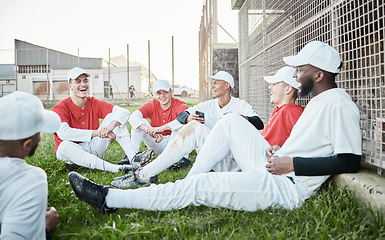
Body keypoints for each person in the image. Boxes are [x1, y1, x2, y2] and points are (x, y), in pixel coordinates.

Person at [68, 41, 362, 213]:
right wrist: (281, 151)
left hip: (286, 187)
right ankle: (180, 183)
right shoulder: (320, 102)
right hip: (273, 164)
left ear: (320, 73)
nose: (297, 74)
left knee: (200, 187)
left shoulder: (339, 104)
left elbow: (349, 161)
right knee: (230, 121)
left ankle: (111, 199)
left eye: (302, 69)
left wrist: (291, 163)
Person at [102, 70, 262, 189]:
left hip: (233, 159)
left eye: (216, 82)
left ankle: (148, 174)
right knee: (193, 124)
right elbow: (183, 116)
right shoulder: (208, 105)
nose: (212, 85)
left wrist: (235, 118)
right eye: (211, 82)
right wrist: (187, 118)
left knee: (198, 127)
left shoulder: (240, 105)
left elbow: (258, 123)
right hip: (212, 158)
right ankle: (142, 169)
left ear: (227, 86)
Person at [52, 67, 154, 173]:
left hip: (92, 148)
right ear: (70, 86)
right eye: (78, 81)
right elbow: (63, 133)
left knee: (113, 118)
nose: (83, 84)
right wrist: (98, 133)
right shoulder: (60, 107)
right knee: (64, 146)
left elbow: (125, 112)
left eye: (85, 81)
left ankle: (133, 159)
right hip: (71, 155)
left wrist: (111, 126)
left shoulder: (93, 103)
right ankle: (117, 169)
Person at [0, 91, 61, 239]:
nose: (40, 136)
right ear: (27, 144)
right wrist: (44, 228)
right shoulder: (32, 179)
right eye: (38, 131)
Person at [120, 79, 190, 169]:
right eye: (159, 93)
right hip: (157, 140)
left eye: (165, 92)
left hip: (174, 141)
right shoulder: (153, 104)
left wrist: (159, 129)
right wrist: (149, 131)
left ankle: (182, 159)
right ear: (154, 94)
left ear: (171, 92)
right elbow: (133, 117)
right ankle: (133, 157)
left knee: (183, 125)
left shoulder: (179, 104)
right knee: (139, 124)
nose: (162, 96)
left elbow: (186, 119)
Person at [262, 66, 304, 146]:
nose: (270, 87)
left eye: (274, 84)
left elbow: (302, 141)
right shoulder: (278, 109)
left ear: (288, 89)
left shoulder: (291, 111)